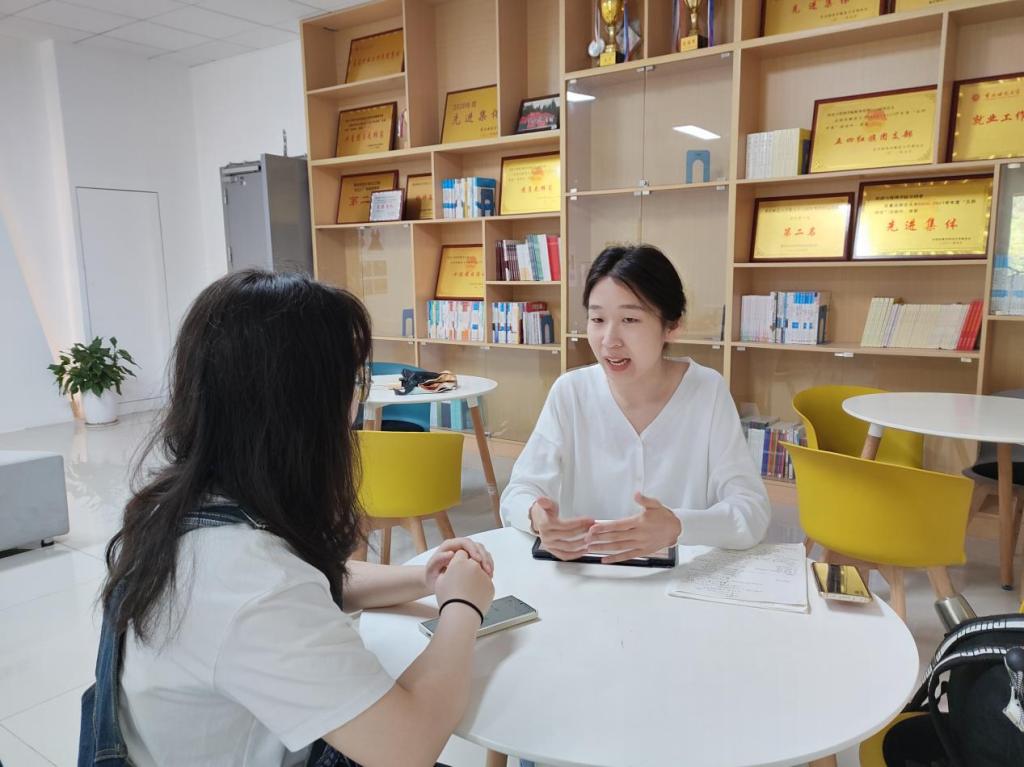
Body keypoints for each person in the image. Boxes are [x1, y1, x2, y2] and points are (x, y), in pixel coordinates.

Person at [79, 270, 495, 767]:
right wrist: (462, 608)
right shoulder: (247, 582)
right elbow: (408, 746)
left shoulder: (180, 505)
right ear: (306, 406)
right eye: (351, 381)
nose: (355, 403)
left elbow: (304, 582)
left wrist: (424, 578)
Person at [501, 244, 771, 561]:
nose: (609, 340)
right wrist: (536, 515)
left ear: (672, 325)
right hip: (586, 575)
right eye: (597, 319)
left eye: (629, 319)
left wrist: (679, 526)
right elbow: (519, 491)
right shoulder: (571, 392)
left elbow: (751, 510)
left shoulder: (706, 391)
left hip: (680, 580)